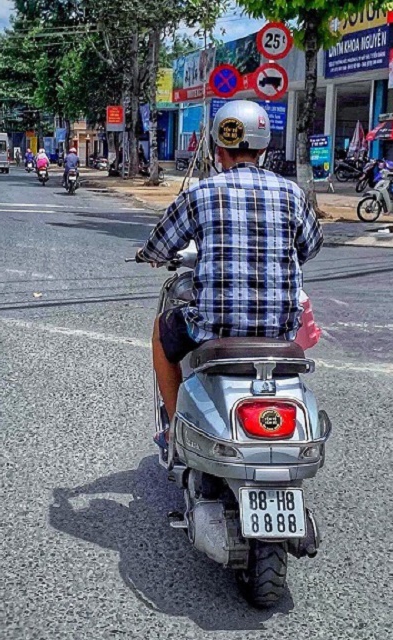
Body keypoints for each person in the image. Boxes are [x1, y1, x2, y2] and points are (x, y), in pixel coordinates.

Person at [137, 100, 323, 449]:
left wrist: (147, 255)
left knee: (162, 332)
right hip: (279, 332)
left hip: (214, 329)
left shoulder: (200, 192)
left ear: (217, 149)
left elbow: (160, 246)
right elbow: (311, 246)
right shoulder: (293, 194)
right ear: (264, 149)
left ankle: (175, 427)